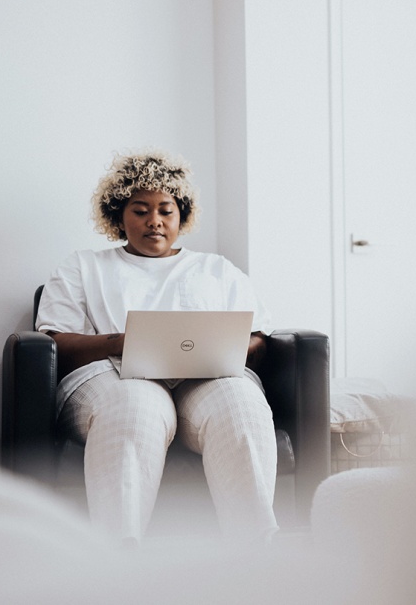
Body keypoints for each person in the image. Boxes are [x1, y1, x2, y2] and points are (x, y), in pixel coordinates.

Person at [36, 150, 278, 544]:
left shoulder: (216, 269)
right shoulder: (83, 267)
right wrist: (124, 342)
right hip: (114, 375)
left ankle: (256, 551)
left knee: (241, 405)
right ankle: (121, 555)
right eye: (140, 210)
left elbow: (260, 338)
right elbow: (54, 342)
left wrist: (229, 348)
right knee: (136, 408)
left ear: (182, 214)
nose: (155, 221)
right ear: (117, 215)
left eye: (166, 210)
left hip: (205, 377)